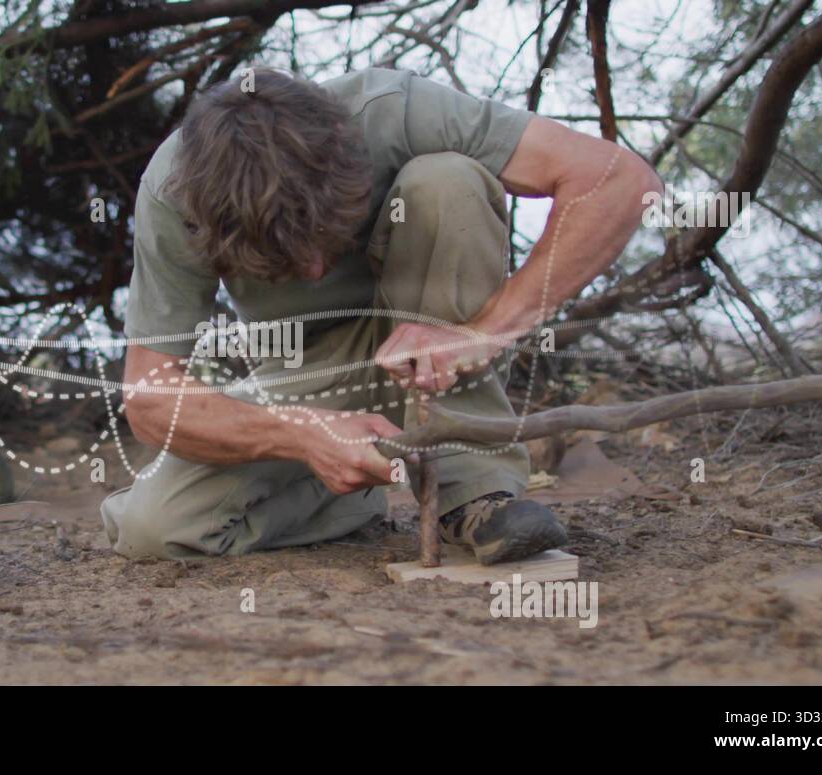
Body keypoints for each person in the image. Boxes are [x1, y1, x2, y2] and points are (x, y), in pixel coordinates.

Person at [102, 67, 661, 563]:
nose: (317, 269)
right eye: (282, 256)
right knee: (155, 529)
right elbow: (150, 395)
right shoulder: (175, 192)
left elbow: (619, 179)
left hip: (441, 335)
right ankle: (351, 490)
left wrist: (486, 331)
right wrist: (304, 436)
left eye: (328, 232)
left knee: (447, 180)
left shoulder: (392, 110)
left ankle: (473, 491)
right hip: (312, 374)